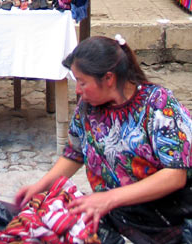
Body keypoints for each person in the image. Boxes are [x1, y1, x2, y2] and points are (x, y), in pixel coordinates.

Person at [14, 35, 192, 244]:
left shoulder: (158, 105)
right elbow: (75, 153)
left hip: (166, 218)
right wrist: (41, 186)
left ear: (109, 78)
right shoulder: (88, 108)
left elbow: (175, 175)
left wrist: (107, 199)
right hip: (116, 215)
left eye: (82, 82)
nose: (78, 91)